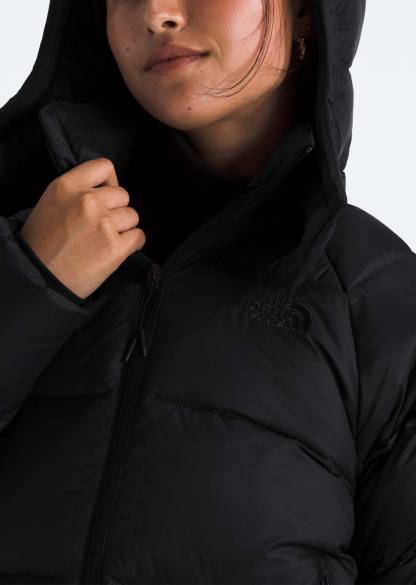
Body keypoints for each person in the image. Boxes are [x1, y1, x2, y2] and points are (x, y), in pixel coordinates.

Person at [0, 0, 415, 583]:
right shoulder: (22, 235)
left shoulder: (377, 298)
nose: (156, 12)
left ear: (305, 13)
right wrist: (30, 286)